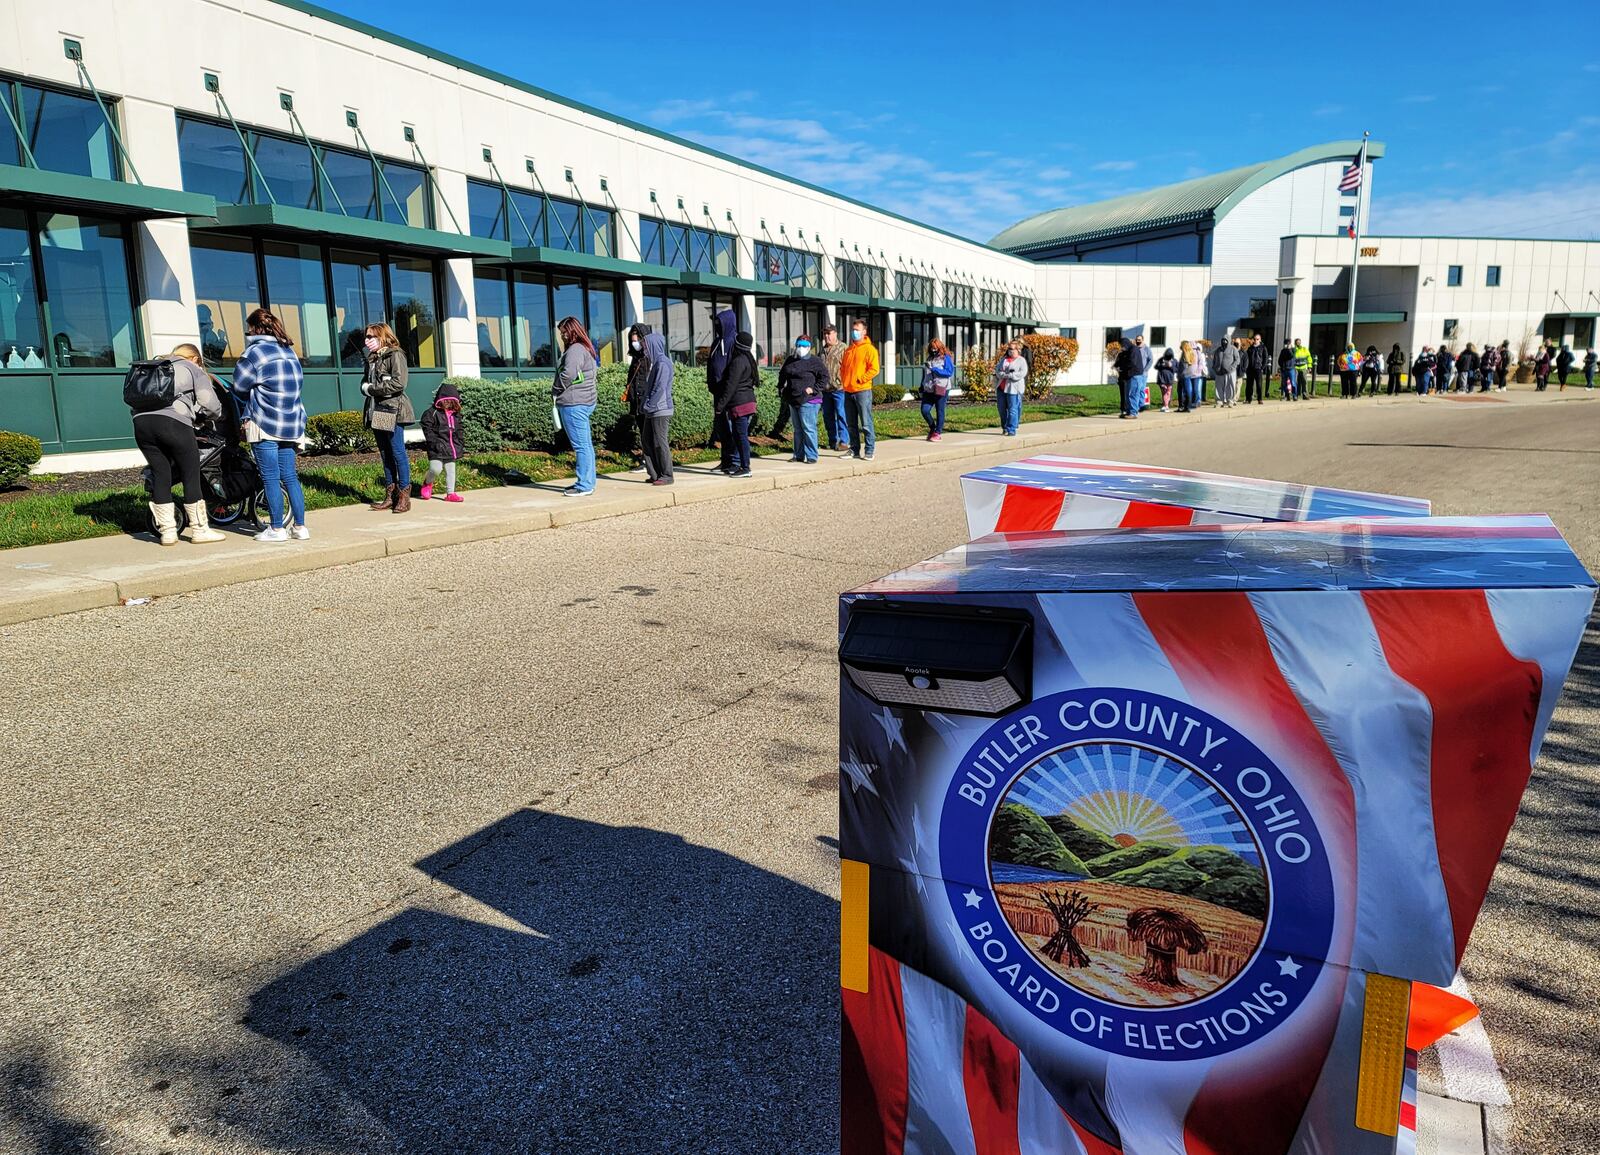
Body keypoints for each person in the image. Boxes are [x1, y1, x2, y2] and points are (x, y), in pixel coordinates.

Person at [133, 343, 226, 546]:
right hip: (174, 423)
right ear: (194, 358)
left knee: (161, 474)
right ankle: (200, 531)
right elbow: (210, 403)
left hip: (141, 425)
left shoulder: (153, 366)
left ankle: (167, 533)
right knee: (190, 474)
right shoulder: (191, 367)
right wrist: (211, 417)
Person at [232, 308, 308, 542]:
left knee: (270, 477)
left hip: (264, 421)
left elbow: (238, 386)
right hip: (291, 421)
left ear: (254, 328)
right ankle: (300, 527)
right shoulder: (290, 351)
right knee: (290, 476)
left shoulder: (253, 353)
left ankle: (276, 528)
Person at [361, 323, 414, 514]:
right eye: (366, 337)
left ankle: (404, 496)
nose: (367, 341)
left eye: (371, 337)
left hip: (392, 409)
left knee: (397, 452)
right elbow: (365, 382)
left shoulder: (395, 354)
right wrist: (366, 387)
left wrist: (371, 389)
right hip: (378, 409)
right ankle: (390, 495)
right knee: (385, 453)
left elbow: (399, 383)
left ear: (382, 337)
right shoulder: (372, 358)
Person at [553, 315, 600, 496]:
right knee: (585, 445)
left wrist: (555, 389)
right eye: (561, 333)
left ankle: (584, 485)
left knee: (581, 446)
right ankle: (587, 482)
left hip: (574, 403)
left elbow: (568, 373)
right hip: (582, 402)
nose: (563, 336)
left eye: (565, 332)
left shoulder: (575, 350)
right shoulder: (584, 348)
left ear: (573, 331)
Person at [625, 324, 675, 486]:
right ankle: (655, 474)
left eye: (646, 345)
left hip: (660, 410)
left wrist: (647, 405)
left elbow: (659, 389)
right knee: (647, 442)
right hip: (650, 410)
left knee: (660, 443)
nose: (643, 348)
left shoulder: (662, 363)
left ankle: (667, 475)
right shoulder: (655, 363)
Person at [714, 330, 759, 476]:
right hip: (748, 402)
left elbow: (730, 386)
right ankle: (741, 465)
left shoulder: (738, 362)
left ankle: (745, 468)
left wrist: (720, 405)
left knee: (741, 437)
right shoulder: (748, 359)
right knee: (740, 436)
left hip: (740, 404)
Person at [780, 334, 828, 462]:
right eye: (799, 345)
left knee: (808, 427)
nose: (801, 348)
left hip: (809, 399)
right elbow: (783, 374)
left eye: (805, 345)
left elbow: (824, 377)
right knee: (797, 429)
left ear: (809, 347)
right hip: (793, 398)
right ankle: (798, 455)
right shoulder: (790, 360)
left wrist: (814, 389)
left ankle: (812, 456)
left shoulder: (815, 361)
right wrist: (781, 387)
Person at [418, 382, 465, 502]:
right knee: (435, 469)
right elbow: (427, 427)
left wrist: (459, 443)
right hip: (436, 447)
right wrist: (433, 442)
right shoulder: (432, 413)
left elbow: (459, 430)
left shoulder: (456, 415)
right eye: (446, 401)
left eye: (451, 402)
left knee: (451, 470)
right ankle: (428, 482)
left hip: (451, 447)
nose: (448, 404)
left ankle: (451, 493)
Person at [839, 319, 880, 459]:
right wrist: (844, 382)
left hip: (862, 391)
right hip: (848, 390)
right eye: (853, 329)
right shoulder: (849, 350)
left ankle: (869, 450)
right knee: (851, 423)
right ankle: (854, 450)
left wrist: (860, 379)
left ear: (864, 331)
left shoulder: (870, 349)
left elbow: (874, 369)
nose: (854, 332)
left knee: (866, 422)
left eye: (857, 329)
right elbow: (843, 368)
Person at [705, 308, 737, 449]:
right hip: (717, 391)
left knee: (731, 428)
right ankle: (726, 461)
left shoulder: (734, 342)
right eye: (716, 323)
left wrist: (727, 388)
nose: (717, 326)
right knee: (722, 428)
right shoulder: (716, 342)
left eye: (720, 323)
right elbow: (711, 364)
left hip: (729, 393)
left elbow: (736, 368)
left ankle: (734, 461)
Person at [917, 338, 955, 440]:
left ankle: (938, 433)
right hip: (928, 388)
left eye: (935, 348)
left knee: (940, 410)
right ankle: (932, 427)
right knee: (924, 410)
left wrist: (936, 370)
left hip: (941, 388)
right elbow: (925, 373)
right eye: (931, 348)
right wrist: (922, 385)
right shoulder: (929, 359)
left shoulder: (946, 358)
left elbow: (949, 372)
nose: (933, 350)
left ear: (940, 348)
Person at [820, 324, 847, 452]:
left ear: (835, 334)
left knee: (841, 414)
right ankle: (832, 440)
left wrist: (842, 381)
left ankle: (844, 441)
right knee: (828, 416)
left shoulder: (843, 348)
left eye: (829, 333)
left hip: (839, 389)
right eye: (825, 333)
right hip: (825, 390)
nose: (827, 336)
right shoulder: (822, 350)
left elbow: (847, 368)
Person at [993, 340, 1027, 435]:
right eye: (1009, 349)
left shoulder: (1021, 360)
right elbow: (998, 370)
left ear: (1018, 350)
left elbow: (1022, 373)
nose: (1010, 351)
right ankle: (1004, 427)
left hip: (1014, 388)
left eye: (1012, 349)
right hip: (1001, 387)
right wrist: (1002, 374)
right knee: (1001, 408)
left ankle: (1011, 429)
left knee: (1012, 409)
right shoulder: (1004, 359)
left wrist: (1011, 375)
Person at [1213, 336, 1240, 407]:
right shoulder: (1218, 350)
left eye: (1226, 340)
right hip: (1219, 372)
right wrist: (1215, 367)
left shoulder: (1233, 349)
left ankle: (1230, 401)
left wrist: (1232, 367)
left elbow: (1237, 360)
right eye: (1223, 340)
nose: (1224, 342)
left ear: (1229, 341)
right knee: (1218, 387)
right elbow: (1215, 359)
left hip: (1230, 372)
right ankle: (1219, 401)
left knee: (1230, 386)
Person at [1244, 334, 1270, 404]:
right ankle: (1248, 399)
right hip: (1250, 369)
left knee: (1259, 384)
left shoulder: (1263, 347)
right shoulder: (1250, 348)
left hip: (1258, 368)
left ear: (1260, 340)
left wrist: (1262, 367)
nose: (1256, 340)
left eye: (1257, 339)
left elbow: (1265, 358)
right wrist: (1247, 368)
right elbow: (1247, 359)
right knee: (1249, 385)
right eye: (1255, 339)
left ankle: (1260, 399)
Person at [1130, 333, 1152, 413]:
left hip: (1143, 373)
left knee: (1142, 389)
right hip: (1136, 372)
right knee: (1137, 390)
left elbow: (1151, 360)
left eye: (1139, 340)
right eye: (1137, 340)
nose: (1138, 341)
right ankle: (1137, 405)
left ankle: (1141, 405)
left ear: (1142, 340)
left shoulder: (1146, 349)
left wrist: (1146, 369)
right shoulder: (1135, 349)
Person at [1178, 341, 1200, 412]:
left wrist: (1180, 373)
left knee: (1184, 391)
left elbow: (1184, 366)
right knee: (1186, 391)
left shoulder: (1185, 354)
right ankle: (1186, 406)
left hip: (1184, 375)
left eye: (1181, 345)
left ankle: (1185, 406)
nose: (1180, 347)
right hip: (1187, 375)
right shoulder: (1191, 353)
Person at [1154, 346, 1178, 412]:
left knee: (1168, 392)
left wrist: (1171, 366)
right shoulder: (1161, 359)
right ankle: (1166, 405)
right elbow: (1156, 366)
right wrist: (1163, 365)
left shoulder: (1174, 361)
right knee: (1164, 392)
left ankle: (1166, 405)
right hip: (1162, 379)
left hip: (1170, 380)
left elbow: (1177, 369)